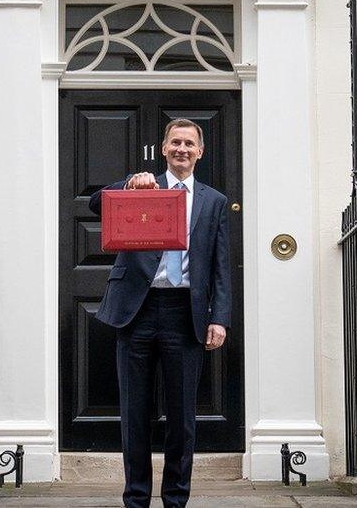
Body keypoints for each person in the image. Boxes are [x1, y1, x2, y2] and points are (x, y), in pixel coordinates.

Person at [89, 118, 231, 508]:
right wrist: (127, 184)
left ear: (200, 152)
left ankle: (175, 500)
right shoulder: (143, 185)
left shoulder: (213, 201)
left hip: (185, 313)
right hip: (136, 310)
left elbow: (220, 263)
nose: (182, 149)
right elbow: (96, 203)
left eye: (189, 143)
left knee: (182, 417)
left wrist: (218, 316)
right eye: (175, 142)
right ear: (163, 148)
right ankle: (135, 499)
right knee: (134, 414)